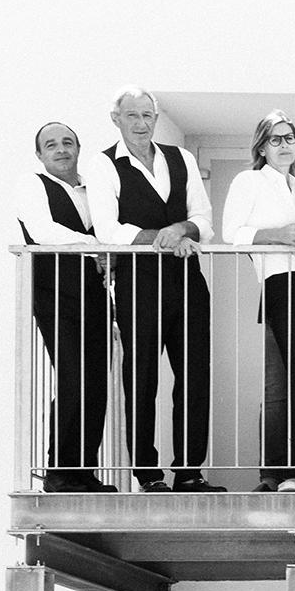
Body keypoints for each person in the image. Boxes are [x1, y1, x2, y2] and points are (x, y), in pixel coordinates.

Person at [93, 87, 218, 492]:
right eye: (133, 116)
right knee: (142, 376)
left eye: (148, 115)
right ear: (117, 119)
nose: (142, 124)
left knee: (194, 375)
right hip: (138, 282)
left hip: (187, 278)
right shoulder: (103, 164)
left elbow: (203, 218)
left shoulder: (180, 158)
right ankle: (147, 474)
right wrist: (162, 237)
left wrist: (181, 229)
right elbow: (110, 230)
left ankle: (188, 471)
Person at [222, 113, 295, 492]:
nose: (284, 145)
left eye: (289, 138)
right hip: (280, 283)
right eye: (275, 140)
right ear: (262, 147)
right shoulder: (249, 181)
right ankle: (286, 471)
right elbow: (231, 233)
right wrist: (280, 236)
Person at [16, 122, 114, 492]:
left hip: (94, 295)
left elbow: (109, 229)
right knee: (73, 377)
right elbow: (43, 232)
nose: (61, 149)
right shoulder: (33, 185)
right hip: (54, 291)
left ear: (78, 148)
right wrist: (97, 248)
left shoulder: (95, 189)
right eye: (51, 144)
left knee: (96, 384)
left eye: (68, 142)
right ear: (40, 154)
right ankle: (60, 472)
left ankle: (83, 472)